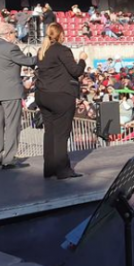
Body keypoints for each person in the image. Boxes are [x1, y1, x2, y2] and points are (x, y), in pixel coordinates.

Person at [0, 22, 37, 169]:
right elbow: (28, 61)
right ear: (8, 34)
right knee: (12, 125)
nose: (15, 36)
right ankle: (8, 159)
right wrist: (41, 55)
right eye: (14, 33)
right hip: (10, 91)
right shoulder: (11, 48)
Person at [35, 23, 87, 179]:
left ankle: (49, 168)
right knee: (61, 135)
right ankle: (62, 169)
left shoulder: (41, 51)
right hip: (60, 96)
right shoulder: (62, 50)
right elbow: (76, 71)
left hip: (43, 95)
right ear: (60, 34)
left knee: (49, 132)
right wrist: (82, 60)